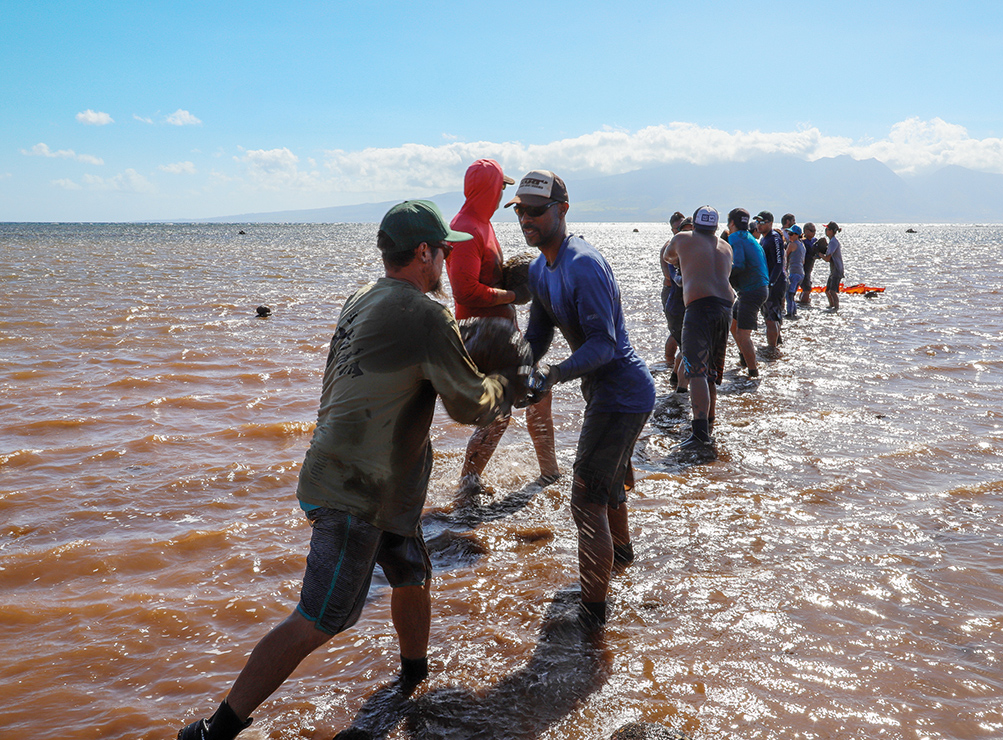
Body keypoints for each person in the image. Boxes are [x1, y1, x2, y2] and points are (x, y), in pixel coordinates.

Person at [176, 200, 521, 740]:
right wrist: (510, 381)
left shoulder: (361, 299)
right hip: (356, 492)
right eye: (444, 253)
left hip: (375, 483)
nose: (447, 264)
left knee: (410, 571)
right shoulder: (424, 314)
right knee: (322, 616)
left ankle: (412, 679)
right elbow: (469, 405)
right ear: (424, 253)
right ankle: (213, 730)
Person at [506, 170, 655, 628]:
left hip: (623, 393)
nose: (527, 219)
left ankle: (593, 619)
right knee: (606, 487)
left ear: (562, 210)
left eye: (536, 210)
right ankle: (623, 561)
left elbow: (603, 345)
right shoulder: (539, 268)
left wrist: (552, 375)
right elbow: (537, 333)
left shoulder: (583, 264)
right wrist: (517, 368)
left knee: (585, 497)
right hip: (606, 394)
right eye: (520, 211)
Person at [447, 159, 560, 489]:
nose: (502, 196)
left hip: (503, 336)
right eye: (500, 188)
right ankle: (468, 485)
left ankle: (549, 472)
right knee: (498, 414)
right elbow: (464, 290)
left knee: (539, 392)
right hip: (484, 339)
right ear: (487, 189)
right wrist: (513, 295)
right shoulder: (466, 229)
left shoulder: (482, 223)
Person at [662, 206, 735, 449]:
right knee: (711, 373)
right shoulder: (726, 246)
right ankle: (709, 426)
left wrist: (684, 262)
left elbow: (668, 257)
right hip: (725, 308)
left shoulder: (682, 238)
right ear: (715, 227)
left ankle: (699, 434)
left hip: (699, 307)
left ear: (694, 225)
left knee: (696, 372)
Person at [726, 208, 769, 380]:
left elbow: (740, 264)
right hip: (760, 288)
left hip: (751, 290)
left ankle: (753, 373)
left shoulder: (734, 237)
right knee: (733, 322)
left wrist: (722, 274)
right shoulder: (751, 237)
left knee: (743, 335)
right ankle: (744, 357)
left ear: (731, 223)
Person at [660, 211, 687, 392]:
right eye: (678, 229)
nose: (681, 232)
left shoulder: (686, 246)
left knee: (683, 336)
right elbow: (670, 277)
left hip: (681, 292)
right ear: (672, 229)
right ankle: (670, 365)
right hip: (672, 292)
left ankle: (673, 371)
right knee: (675, 332)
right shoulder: (669, 248)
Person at [753, 211, 787, 352]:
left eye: (762, 222)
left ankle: (771, 350)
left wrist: (771, 283)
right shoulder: (764, 239)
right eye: (757, 222)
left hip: (775, 283)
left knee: (771, 317)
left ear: (770, 223)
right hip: (768, 282)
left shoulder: (774, 238)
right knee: (770, 315)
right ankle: (777, 343)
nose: (759, 225)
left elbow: (779, 263)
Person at [821, 221, 845, 312]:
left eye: (827, 229)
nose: (825, 231)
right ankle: (831, 306)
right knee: (827, 291)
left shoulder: (833, 242)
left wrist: (820, 254)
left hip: (837, 270)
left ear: (831, 231)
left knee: (832, 291)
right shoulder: (832, 242)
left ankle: (836, 308)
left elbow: (827, 258)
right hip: (833, 270)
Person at [784, 224, 805, 318]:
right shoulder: (802, 245)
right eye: (788, 233)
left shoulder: (792, 244)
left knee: (789, 294)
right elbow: (803, 261)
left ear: (797, 235)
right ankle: (793, 312)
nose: (789, 235)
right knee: (792, 294)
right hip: (801, 273)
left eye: (791, 234)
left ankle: (790, 314)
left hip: (794, 273)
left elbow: (785, 256)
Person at [798, 222, 820, 305]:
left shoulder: (815, 241)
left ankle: (803, 301)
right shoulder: (802, 242)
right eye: (812, 231)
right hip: (802, 266)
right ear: (806, 231)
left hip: (810, 266)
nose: (814, 233)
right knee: (807, 288)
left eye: (815, 231)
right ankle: (803, 303)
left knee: (807, 284)